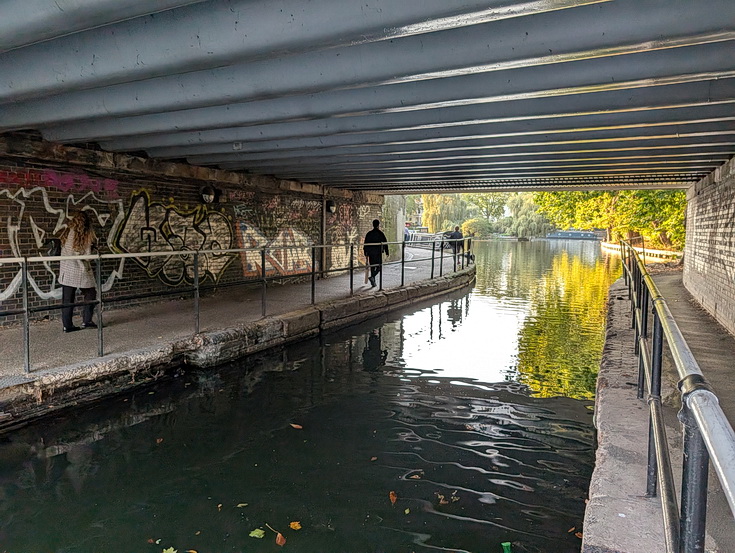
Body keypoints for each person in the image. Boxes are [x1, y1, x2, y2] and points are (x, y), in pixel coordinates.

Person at [58, 211, 98, 332]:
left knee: (67, 299)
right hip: (80, 270)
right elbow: (87, 256)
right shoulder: (85, 235)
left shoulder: (67, 232)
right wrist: (93, 248)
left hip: (66, 270)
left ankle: (67, 325)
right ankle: (87, 321)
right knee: (91, 293)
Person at [363, 219, 389, 288]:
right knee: (379, 267)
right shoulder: (380, 233)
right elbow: (385, 243)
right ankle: (372, 277)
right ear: (378, 225)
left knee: (372, 267)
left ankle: (373, 281)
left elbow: (365, 243)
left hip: (371, 253)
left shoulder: (369, 234)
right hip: (378, 253)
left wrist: (365, 252)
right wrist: (387, 252)